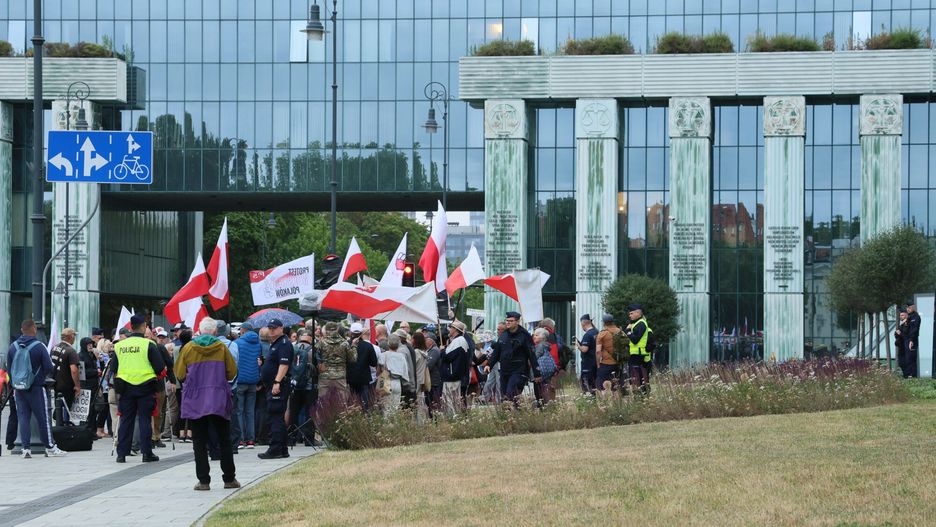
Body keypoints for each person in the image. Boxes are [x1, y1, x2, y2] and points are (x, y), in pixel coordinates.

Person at [174, 317, 239, 490]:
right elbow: (232, 372)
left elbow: (179, 373)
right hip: (218, 397)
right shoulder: (222, 348)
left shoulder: (188, 348)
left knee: (199, 441)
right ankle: (229, 479)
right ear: (216, 331)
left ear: (200, 331)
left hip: (196, 400)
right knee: (224, 440)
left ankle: (203, 481)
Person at [7, 319, 67, 458]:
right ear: (34, 329)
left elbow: (10, 369)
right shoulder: (39, 346)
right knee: (43, 418)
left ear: (22, 330)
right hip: (36, 388)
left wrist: (18, 382)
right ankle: (50, 447)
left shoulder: (13, 347)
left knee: (23, 418)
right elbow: (48, 367)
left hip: (19, 389)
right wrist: (38, 377)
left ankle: (25, 449)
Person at [112, 314, 166, 463]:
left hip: (125, 387)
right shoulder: (149, 344)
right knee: (144, 420)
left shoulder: (119, 346)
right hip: (146, 387)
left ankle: (121, 454)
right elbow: (160, 367)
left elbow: (114, 368)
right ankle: (147, 453)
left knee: (126, 420)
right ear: (143, 327)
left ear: (131, 327)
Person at [484, 312, 541, 404]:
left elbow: (532, 354)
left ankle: (513, 413)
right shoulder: (504, 335)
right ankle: (514, 415)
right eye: (507, 321)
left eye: (511, 321)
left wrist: (537, 373)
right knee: (505, 397)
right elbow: (497, 352)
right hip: (504, 371)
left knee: (511, 395)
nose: (508, 323)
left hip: (519, 371)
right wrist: (489, 365)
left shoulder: (524, 335)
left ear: (517, 322)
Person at [258, 318, 294, 460]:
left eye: (274, 328)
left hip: (278, 385)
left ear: (281, 328)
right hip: (273, 384)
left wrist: (277, 382)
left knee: (275, 416)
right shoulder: (276, 343)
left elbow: (283, 365)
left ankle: (275, 449)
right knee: (276, 416)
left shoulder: (284, 344)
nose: (271, 330)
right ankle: (282, 449)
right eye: (270, 328)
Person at [288, 330, 320, 447]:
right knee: (310, 413)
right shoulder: (314, 350)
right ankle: (309, 439)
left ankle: (292, 437)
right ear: (310, 339)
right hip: (310, 386)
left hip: (295, 385)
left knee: (294, 412)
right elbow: (319, 368)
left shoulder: (293, 347)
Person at [232, 322, 261, 449]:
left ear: (243, 331)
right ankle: (251, 440)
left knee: (239, 411)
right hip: (253, 380)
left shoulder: (237, 343)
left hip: (240, 380)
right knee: (250, 411)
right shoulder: (258, 343)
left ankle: (240, 440)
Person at [316, 321, 356, 405]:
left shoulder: (321, 343)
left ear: (326, 330)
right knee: (341, 404)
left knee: (323, 404)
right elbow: (353, 359)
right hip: (340, 376)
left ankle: (323, 418)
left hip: (325, 376)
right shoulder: (345, 343)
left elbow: (316, 357)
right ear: (337, 330)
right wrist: (354, 346)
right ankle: (340, 418)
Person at [50, 327, 81, 424]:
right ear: (70, 337)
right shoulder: (71, 351)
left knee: (59, 405)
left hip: (56, 383)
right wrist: (77, 385)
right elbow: (74, 370)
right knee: (66, 408)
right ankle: (64, 427)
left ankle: (59, 422)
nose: (75, 338)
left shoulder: (54, 348)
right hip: (67, 385)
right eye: (74, 336)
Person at [348, 322, 378, 411]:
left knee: (350, 404)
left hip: (349, 379)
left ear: (350, 332)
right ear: (361, 333)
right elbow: (373, 363)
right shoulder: (368, 346)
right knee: (365, 404)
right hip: (363, 379)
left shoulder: (346, 345)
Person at [441, 321, 470, 414]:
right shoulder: (460, 340)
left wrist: (442, 350)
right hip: (456, 376)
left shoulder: (458, 341)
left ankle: (452, 421)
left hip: (452, 377)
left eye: (451, 328)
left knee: (451, 404)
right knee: (455, 402)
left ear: (456, 330)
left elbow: (447, 357)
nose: (450, 329)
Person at [623, 304, 653, 395]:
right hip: (636, 355)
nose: (629, 315)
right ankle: (641, 396)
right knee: (637, 379)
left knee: (637, 379)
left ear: (638, 313)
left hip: (639, 356)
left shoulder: (641, 324)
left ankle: (642, 397)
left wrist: (628, 331)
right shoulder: (636, 323)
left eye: (631, 313)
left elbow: (635, 340)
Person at [378, 334, 409, 415]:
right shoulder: (401, 356)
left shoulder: (383, 355)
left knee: (386, 408)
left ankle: (387, 426)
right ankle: (394, 426)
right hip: (397, 383)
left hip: (386, 381)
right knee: (395, 408)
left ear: (388, 343)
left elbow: (378, 369)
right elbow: (405, 372)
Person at [77, 337, 101, 433]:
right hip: (86, 386)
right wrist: (96, 372)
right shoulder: (81, 356)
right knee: (88, 410)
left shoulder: (92, 355)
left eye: (91, 344)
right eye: (88, 344)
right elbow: (82, 373)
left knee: (94, 409)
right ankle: (86, 430)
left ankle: (92, 430)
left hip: (94, 385)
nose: (91, 346)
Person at [595, 314, 621, 394]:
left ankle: (605, 403)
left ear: (603, 322)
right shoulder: (620, 331)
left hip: (606, 363)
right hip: (618, 363)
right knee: (615, 386)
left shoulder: (602, 334)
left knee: (602, 386)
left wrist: (598, 364)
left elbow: (598, 351)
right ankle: (616, 403)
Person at [532, 328, 556, 404]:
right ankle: (546, 403)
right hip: (547, 372)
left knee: (538, 389)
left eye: (536, 335)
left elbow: (534, 358)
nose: (534, 336)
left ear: (542, 337)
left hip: (540, 372)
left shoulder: (540, 346)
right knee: (545, 387)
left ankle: (541, 405)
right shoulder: (546, 346)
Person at [578, 314, 599, 394]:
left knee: (586, 383)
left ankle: (588, 397)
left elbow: (584, 349)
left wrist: (578, 345)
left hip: (587, 363)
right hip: (595, 362)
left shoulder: (587, 335)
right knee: (594, 383)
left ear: (583, 324)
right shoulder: (596, 332)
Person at [424, 331, 443, 416]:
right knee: (429, 402)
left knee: (433, 403)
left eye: (426, 339)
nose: (424, 341)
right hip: (430, 381)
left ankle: (435, 420)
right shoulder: (430, 350)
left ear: (431, 340)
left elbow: (428, 365)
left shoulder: (434, 351)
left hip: (433, 382)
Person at [905, 301, 921, 378]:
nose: (908, 309)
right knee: (907, 357)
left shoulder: (916, 317)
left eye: (909, 307)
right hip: (906, 340)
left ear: (913, 307)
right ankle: (908, 374)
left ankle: (913, 376)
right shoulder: (908, 317)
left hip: (912, 340)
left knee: (911, 358)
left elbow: (915, 330)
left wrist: (911, 340)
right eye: (907, 307)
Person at [896, 309, 911, 378]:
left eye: (902, 315)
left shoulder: (907, 323)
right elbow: (897, 333)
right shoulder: (901, 324)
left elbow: (906, 334)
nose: (901, 316)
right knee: (901, 362)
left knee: (905, 361)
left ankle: (907, 375)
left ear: (906, 315)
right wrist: (897, 333)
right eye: (900, 315)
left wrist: (900, 333)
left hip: (905, 345)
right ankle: (905, 375)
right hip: (901, 345)